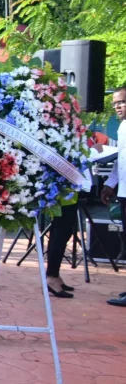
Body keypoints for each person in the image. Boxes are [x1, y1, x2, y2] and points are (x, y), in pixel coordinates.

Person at [100, 86, 126, 307]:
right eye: (115, 104)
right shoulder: (123, 127)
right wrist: (109, 185)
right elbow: (121, 160)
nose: (118, 107)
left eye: (122, 102)